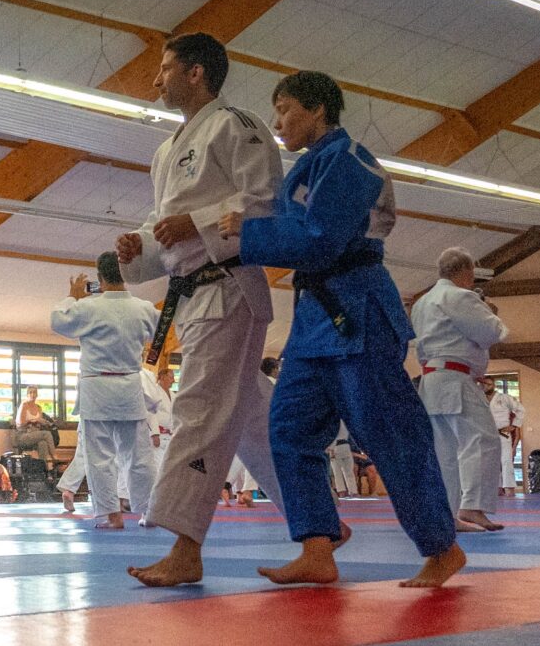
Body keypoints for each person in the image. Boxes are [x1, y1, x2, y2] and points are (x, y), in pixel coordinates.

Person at [220, 70, 468, 588]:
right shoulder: (309, 167)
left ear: (316, 109)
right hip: (315, 315)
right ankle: (317, 546)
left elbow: (319, 239)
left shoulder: (351, 163)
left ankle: (441, 548)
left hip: (358, 309)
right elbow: (301, 239)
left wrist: (248, 233)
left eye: (285, 109)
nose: (278, 122)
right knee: (288, 430)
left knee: (388, 433)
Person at [115, 33, 286, 587]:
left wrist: (199, 222)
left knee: (200, 410)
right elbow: (166, 227)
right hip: (195, 292)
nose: (156, 79)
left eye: (165, 69)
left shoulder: (236, 124)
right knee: (254, 423)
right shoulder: (167, 151)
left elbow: (264, 203)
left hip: (228, 285)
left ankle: (185, 547)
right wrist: (138, 249)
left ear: (195, 73)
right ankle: (319, 522)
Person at [50, 256, 158, 529]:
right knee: (139, 456)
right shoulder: (143, 308)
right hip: (130, 387)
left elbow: (58, 321)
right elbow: (162, 329)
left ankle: (111, 514)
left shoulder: (88, 307)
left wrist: (71, 297)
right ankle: (149, 511)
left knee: (100, 457)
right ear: (125, 274)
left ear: (100, 277)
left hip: (97, 388)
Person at [413, 247, 509, 533]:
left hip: (432, 378)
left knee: (446, 452)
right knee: (482, 440)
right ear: (467, 273)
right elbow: (490, 332)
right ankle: (473, 506)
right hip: (455, 379)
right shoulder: (459, 296)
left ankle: (449, 514)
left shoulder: (422, 302)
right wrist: (490, 313)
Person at [485, 377, 520, 503]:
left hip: (503, 434)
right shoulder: (478, 398)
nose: (486, 386)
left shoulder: (504, 398)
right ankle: (497, 489)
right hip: (487, 435)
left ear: (493, 385)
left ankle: (509, 489)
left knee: (506, 461)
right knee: (491, 463)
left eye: (489, 384)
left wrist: (514, 426)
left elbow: (520, 411)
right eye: (484, 384)